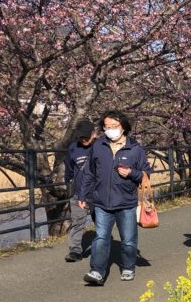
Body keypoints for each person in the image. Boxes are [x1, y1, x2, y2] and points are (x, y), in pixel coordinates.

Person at [79, 110, 150, 285]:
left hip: (126, 202)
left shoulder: (135, 149)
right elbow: (89, 172)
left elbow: (146, 174)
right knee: (101, 238)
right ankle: (97, 271)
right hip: (102, 202)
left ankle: (128, 267)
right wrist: (82, 194)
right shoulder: (98, 146)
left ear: (123, 127)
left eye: (114, 126)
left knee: (128, 240)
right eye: (107, 126)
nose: (110, 130)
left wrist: (131, 173)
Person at [63, 119, 96, 262]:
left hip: (98, 193)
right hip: (78, 192)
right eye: (81, 137)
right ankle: (75, 251)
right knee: (77, 222)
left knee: (101, 223)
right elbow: (69, 169)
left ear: (93, 133)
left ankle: (102, 249)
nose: (84, 140)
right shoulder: (73, 148)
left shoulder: (101, 147)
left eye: (86, 136)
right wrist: (69, 183)